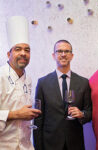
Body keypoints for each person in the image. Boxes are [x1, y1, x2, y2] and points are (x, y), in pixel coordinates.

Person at [33, 40, 92, 150]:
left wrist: (82, 114)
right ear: (53, 55)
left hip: (75, 143)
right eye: (59, 51)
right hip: (50, 144)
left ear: (72, 55)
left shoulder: (84, 83)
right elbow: (38, 119)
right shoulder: (42, 83)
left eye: (66, 51)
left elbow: (89, 112)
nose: (63, 54)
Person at [0, 16, 41, 150]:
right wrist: (17, 114)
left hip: (26, 145)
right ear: (8, 54)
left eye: (27, 50)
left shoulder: (27, 79)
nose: (23, 53)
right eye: (18, 49)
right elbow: (20, 113)